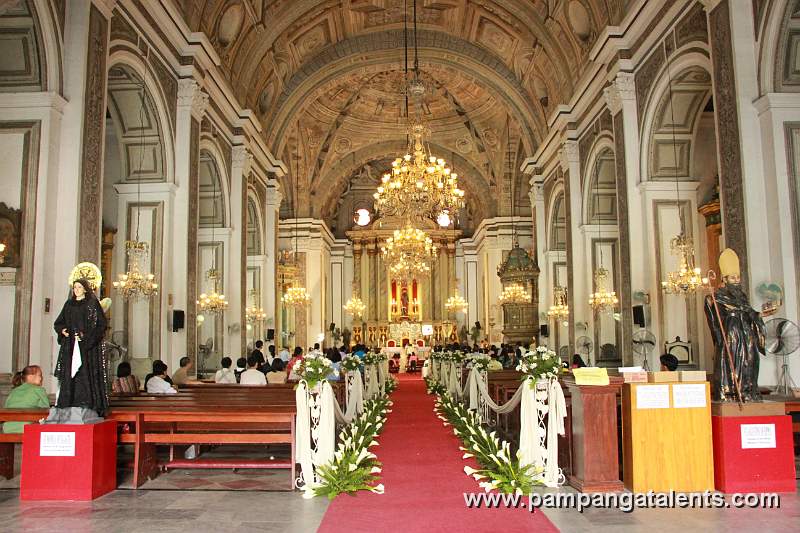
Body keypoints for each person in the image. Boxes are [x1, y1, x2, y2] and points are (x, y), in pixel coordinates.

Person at [704, 248, 766, 402]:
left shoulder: (742, 296)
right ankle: (731, 392)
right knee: (733, 362)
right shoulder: (716, 296)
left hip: (746, 332)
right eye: (733, 277)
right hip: (731, 335)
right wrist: (719, 336)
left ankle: (748, 391)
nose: (737, 280)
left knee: (750, 359)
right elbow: (713, 318)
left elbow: (750, 312)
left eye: (738, 277)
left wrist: (761, 314)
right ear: (725, 279)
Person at [53, 278, 109, 417]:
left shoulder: (91, 304)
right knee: (69, 374)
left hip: (87, 349)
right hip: (70, 346)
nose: (76, 290)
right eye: (75, 287)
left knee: (85, 373)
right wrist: (63, 330)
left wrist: (86, 338)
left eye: (79, 287)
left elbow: (100, 325)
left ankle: (86, 402)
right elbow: (59, 322)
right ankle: (68, 401)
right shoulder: (69, 304)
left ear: (85, 289)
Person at [3, 366, 50, 433]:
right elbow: (46, 410)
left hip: (8, 428)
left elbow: (6, 406)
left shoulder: (14, 391)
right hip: (27, 428)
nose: (41, 378)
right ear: (30, 377)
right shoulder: (39, 390)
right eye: (39, 375)